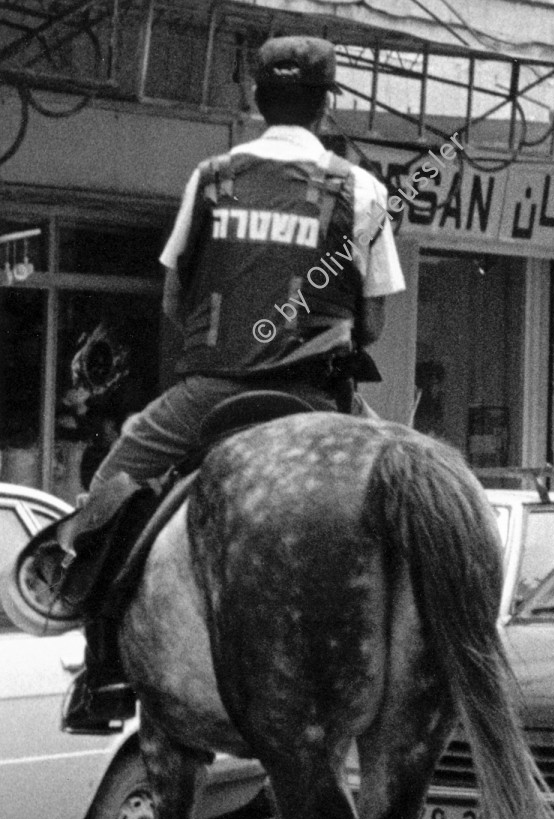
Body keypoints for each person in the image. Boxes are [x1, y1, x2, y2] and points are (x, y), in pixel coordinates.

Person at [52, 36, 403, 732]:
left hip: (210, 393)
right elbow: (378, 317)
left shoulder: (211, 177)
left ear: (253, 98)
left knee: (109, 491)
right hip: (320, 396)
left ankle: (102, 676)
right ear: (329, 103)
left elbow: (174, 297)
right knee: (423, 492)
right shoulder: (361, 188)